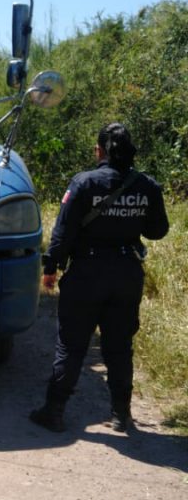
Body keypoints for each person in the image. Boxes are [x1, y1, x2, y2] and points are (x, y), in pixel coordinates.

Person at [30, 122, 169, 434]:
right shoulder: (146, 185)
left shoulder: (84, 183)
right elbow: (157, 231)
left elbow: (63, 231)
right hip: (126, 274)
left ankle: (54, 411)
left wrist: (51, 268)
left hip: (86, 274)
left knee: (71, 345)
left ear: (99, 151)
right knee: (119, 347)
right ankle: (122, 415)